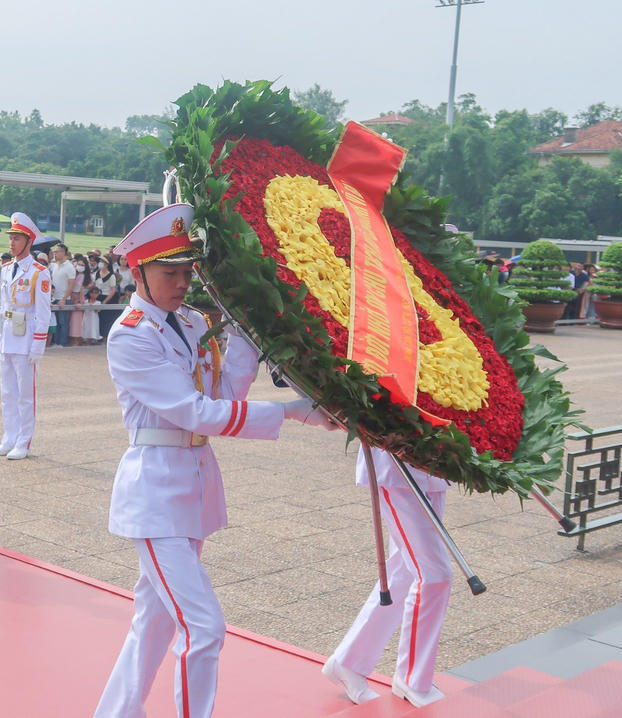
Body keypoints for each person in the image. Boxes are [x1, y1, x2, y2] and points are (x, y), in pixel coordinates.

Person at [94, 203, 332, 718]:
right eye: (169, 273)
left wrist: (246, 333)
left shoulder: (192, 321)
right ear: (138, 273)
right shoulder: (132, 334)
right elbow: (194, 411)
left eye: (186, 271)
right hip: (155, 493)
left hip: (193, 485)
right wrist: (291, 412)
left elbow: (224, 390)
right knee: (203, 628)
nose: (182, 282)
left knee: (153, 621)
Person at [323, 446, 453, 708]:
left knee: (406, 570)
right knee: (434, 575)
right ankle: (412, 679)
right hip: (397, 464)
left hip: (436, 463)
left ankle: (348, 662)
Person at [0, 213, 50, 460]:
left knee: (25, 395)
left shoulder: (38, 272)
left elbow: (43, 313)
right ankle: (9, 438)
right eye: (11, 238)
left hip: (26, 339)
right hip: (7, 337)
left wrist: (38, 345)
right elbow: (4, 307)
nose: (11, 243)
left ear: (28, 241)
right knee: (7, 393)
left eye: (16, 238)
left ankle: (24, 442)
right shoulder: (6, 269)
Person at [49, 245, 75, 347]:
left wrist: (64, 299)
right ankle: (56, 342)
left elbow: (71, 285)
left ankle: (62, 343)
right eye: (54, 252)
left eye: (57, 252)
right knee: (56, 323)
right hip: (54, 298)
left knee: (63, 322)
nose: (55, 254)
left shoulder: (69, 267)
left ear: (63, 252)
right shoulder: (54, 266)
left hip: (64, 299)